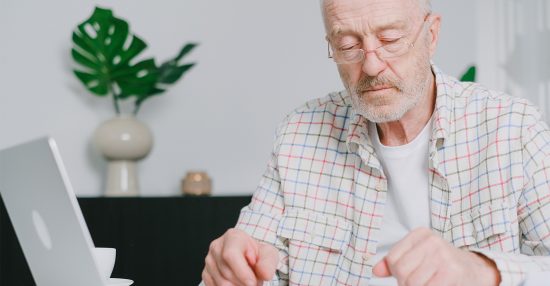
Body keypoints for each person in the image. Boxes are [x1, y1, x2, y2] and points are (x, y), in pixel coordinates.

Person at [202, 0, 550, 285]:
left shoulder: (513, 128)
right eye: (348, 45)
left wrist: (484, 272)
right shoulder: (299, 134)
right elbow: (250, 259)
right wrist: (233, 270)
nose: (370, 65)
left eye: (390, 39)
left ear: (431, 34)